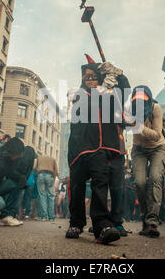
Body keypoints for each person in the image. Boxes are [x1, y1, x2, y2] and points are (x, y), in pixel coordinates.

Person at [66, 56, 130, 244]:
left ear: (100, 78)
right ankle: (76, 223)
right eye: (87, 77)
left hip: (100, 149)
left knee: (100, 184)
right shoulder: (79, 94)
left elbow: (125, 93)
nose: (91, 80)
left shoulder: (110, 93)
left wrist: (120, 76)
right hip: (80, 149)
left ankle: (102, 225)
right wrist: (101, 91)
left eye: (94, 77)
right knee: (77, 187)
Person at [130, 85, 165, 238]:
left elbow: (157, 135)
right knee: (139, 183)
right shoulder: (129, 111)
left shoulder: (155, 108)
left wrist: (137, 126)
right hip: (139, 149)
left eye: (142, 101)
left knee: (155, 179)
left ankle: (152, 222)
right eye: (136, 101)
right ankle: (145, 219)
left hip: (157, 148)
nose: (139, 104)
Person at [35, 155, 58, 221]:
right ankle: (51, 217)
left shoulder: (39, 158)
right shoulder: (53, 158)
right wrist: (53, 179)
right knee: (51, 196)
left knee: (42, 195)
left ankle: (43, 216)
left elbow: (34, 167)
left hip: (40, 175)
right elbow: (55, 170)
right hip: (49, 175)